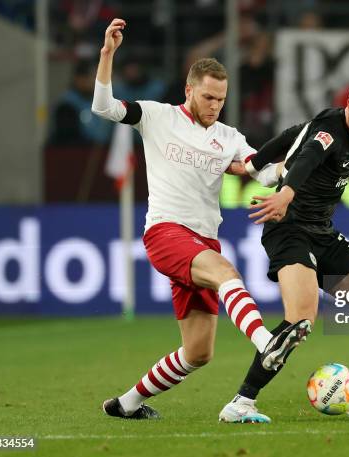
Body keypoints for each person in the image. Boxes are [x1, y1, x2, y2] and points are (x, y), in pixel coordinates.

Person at [91, 18, 310, 420]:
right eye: (208, 97)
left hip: (203, 241)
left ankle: (126, 404)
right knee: (227, 272)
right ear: (189, 90)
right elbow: (103, 107)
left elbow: (256, 168)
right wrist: (107, 54)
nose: (215, 106)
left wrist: (288, 168)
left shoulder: (227, 136)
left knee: (198, 352)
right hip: (166, 232)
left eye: (221, 100)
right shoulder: (156, 117)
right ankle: (266, 342)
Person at [218, 76, 349, 423]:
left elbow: (294, 133)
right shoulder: (330, 133)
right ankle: (241, 402)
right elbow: (307, 155)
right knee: (301, 320)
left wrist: (252, 164)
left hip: (322, 233)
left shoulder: (339, 128)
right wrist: (285, 193)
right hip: (289, 230)